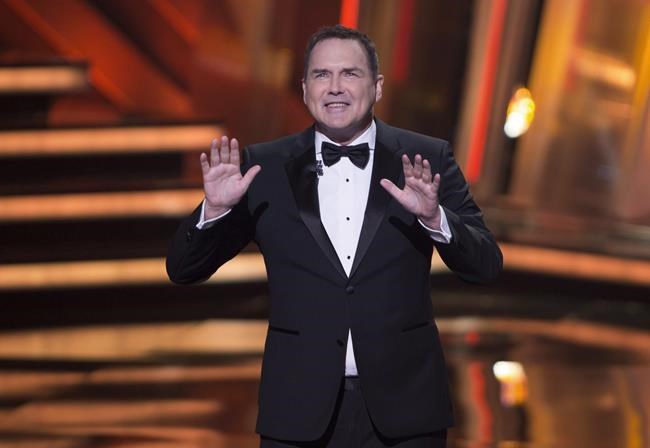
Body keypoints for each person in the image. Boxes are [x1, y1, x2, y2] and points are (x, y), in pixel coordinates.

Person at [167, 25, 502, 448]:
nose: (335, 87)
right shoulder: (263, 167)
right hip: (297, 410)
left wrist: (435, 218)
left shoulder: (426, 158)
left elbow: (486, 265)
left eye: (350, 73)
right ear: (305, 89)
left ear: (377, 87)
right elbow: (183, 269)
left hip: (407, 409)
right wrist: (214, 210)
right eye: (322, 75)